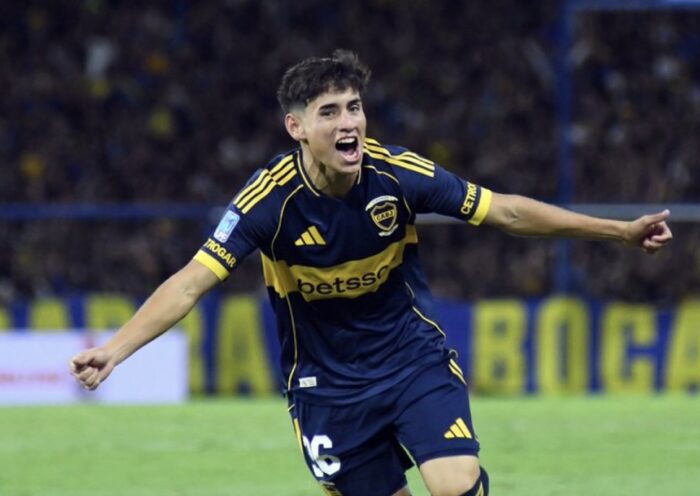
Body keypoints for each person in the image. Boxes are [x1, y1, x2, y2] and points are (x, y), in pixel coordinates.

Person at [69, 49, 673, 496]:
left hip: (410, 359)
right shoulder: (267, 202)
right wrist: (115, 350)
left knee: (455, 484)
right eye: (329, 112)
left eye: (354, 108)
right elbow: (190, 281)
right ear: (297, 128)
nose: (349, 123)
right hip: (325, 385)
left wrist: (618, 231)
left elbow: (506, 212)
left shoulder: (397, 174)